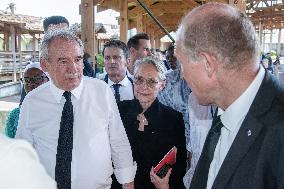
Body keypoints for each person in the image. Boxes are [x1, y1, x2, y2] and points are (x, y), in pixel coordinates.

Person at [176, 3, 284, 189]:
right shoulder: (226, 106)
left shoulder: (278, 131)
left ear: (208, 64)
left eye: (181, 63)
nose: (182, 74)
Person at [16, 29, 136, 189]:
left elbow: (118, 140)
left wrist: (127, 182)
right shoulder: (32, 102)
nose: (73, 68)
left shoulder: (101, 91)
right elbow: (23, 152)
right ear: (45, 64)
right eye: (63, 61)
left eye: (78, 59)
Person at [117, 57, 187, 189]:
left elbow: (179, 168)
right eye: (139, 79)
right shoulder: (118, 111)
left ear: (162, 84)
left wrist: (165, 186)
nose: (144, 86)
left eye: (151, 82)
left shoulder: (173, 119)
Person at [5, 62, 49, 138]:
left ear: (49, 81)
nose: (31, 84)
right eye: (27, 80)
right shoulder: (15, 115)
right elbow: (9, 144)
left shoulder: (61, 110)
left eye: (38, 79)